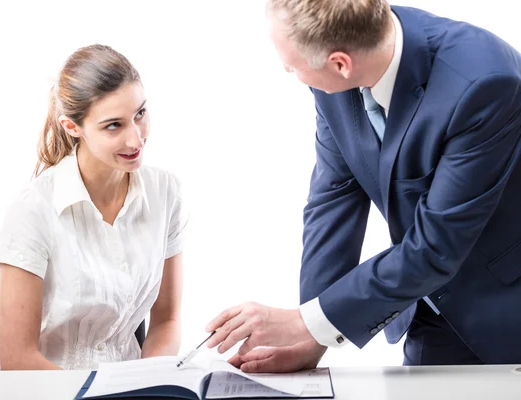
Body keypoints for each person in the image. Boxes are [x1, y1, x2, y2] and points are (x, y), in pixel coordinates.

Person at [205, 0, 521, 371]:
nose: (288, 71)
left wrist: (304, 322)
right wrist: (313, 336)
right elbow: (333, 197)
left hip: (505, 304)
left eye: (291, 66)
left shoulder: (485, 83)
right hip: (426, 303)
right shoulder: (343, 56)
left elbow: (436, 245)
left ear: (340, 64)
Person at [0, 44, 188, 370]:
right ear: (73, 127)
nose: (136, 139)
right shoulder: (32, 210)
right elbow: (17, 360)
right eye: (114, 125)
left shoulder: (165, 192)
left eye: (140, 114)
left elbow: (167, 320)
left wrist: (145, 383)